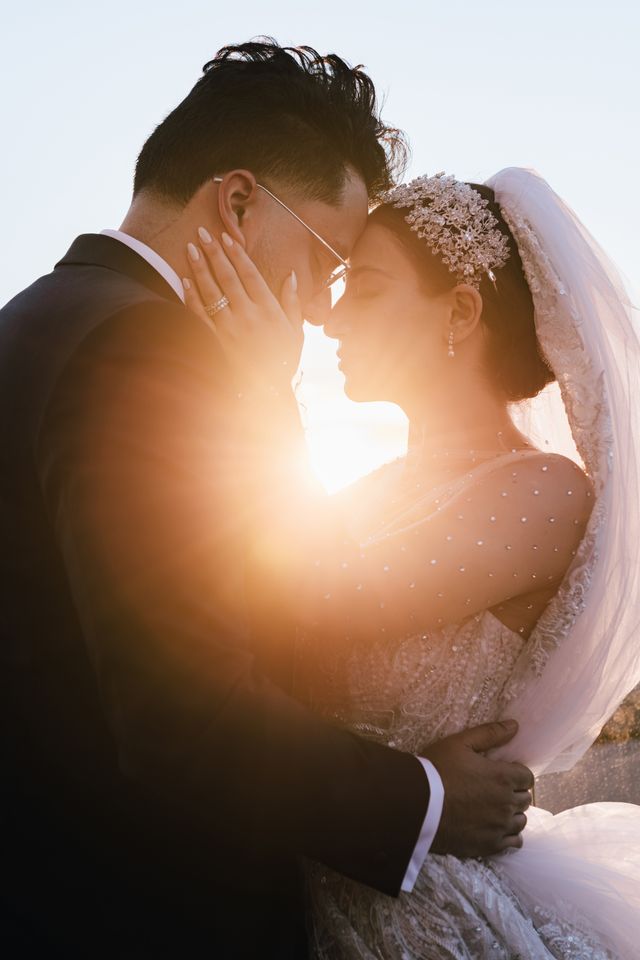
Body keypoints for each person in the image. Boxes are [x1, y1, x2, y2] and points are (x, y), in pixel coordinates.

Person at [0, 43, 532, 957]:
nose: (323, 308)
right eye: (328, 262)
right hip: (150, 914)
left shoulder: (35, 317)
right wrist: (427, 799)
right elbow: (184, 711)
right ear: (239, 203)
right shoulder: (148, 351)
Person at [185, 168, 640, 957]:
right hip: (310, 878)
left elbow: (326, 592)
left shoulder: (543, 491)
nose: (330, 318)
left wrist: (260, 388)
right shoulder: (365, 491)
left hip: (423, 909)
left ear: (459, 312)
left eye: (364, 289)